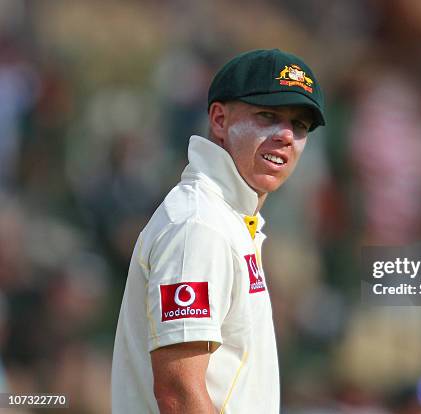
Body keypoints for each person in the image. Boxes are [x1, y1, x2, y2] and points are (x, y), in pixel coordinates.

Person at [111, 49, 325, 413]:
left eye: (300, 125)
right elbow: (179, 394)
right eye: (268, 116)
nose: (286, 135)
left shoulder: (227, 221)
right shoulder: (200, 227)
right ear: (219, 119)